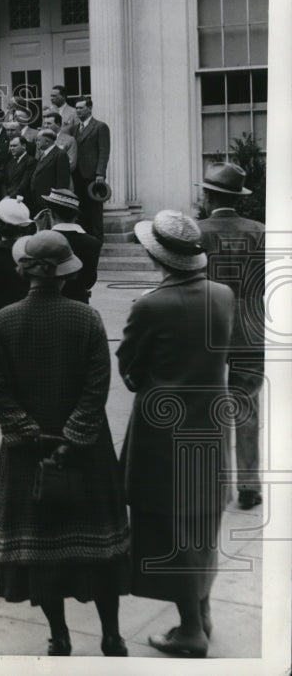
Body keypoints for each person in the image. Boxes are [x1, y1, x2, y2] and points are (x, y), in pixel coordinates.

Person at [0, 230, 130, 658]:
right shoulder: (86, 319)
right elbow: (97, 386)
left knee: (41, 548)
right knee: (100, 547)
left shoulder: (2, 321)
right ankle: (111, 636)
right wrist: (74, 437)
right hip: (87, 454)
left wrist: (28, 431)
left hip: (29, 456)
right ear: (60, 276)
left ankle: (59, 636)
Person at [118, 210, 234, 658]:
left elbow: (128, 366)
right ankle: (201, 613)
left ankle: (189, 630)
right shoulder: (222, 295)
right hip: (210, 424)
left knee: (169, 527)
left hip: (163, 433)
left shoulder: (150, 304)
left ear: (155, 255)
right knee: (202, 522)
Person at [197, 162, 266, 510]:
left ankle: (209, 481)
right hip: (251, 329)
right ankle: (249, 486)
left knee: (204, 406)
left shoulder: (197, 232)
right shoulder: (260, 231)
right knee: (246, 407)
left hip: (208, 327)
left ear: (209, 196)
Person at [43, 189, 101, 304]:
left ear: (51, 213)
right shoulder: (93, 242)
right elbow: (90, 281)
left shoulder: (44, 240)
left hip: (48, 303)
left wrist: (39, 232)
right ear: (75, 216)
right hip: (80, 303)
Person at [73, 97, 111, 241]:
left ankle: (97, 239)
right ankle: (85, 239)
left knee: (94, 210)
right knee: (80, 208)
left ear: (89, 108)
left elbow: (104, 151)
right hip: (77, 175)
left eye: (81, 108)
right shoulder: (75, 128)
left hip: (93, 176)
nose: (78, 111)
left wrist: (100, 173)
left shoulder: (100, 127)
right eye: (76, 108)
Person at [25, 128, 72, 217]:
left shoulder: (60, 154)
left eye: (38, 140)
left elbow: (62, 182)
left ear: (47, 142)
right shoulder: (43, 154)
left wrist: (56, 201)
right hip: (38, 198)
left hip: (49, 200)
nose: (36, 142)